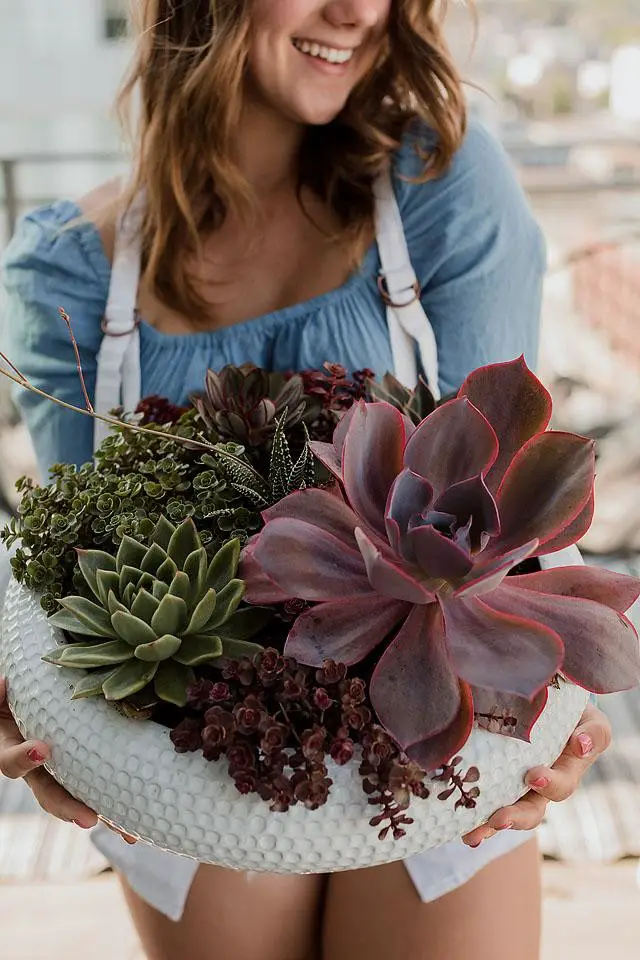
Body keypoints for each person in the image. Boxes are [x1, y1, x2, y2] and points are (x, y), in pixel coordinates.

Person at [0, 2, 611, 959]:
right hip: (193, 758)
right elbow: (67, 584)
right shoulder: (66, 277)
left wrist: (552, 709)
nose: (358, 10)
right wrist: (34, 714)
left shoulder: (444, 190)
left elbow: (507, 525)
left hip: (438, 747)